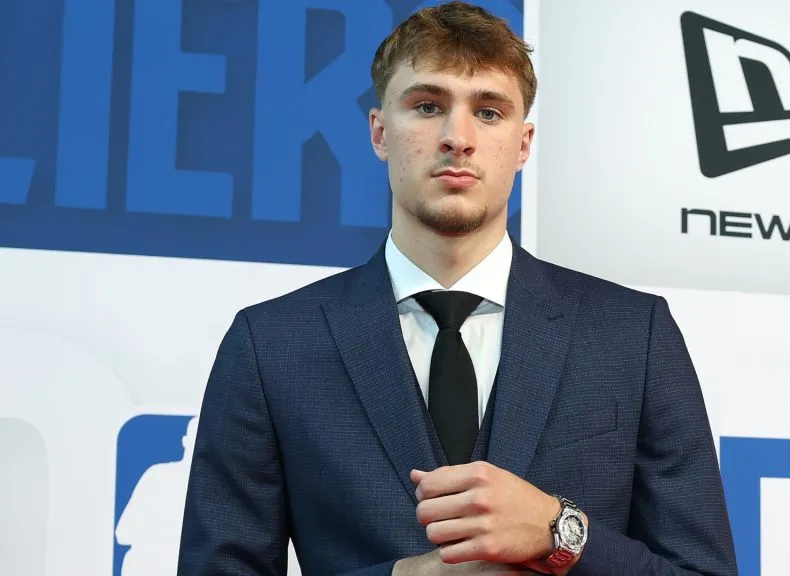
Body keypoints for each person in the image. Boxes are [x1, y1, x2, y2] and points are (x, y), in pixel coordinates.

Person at [177, 2, 738, 575]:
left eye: (489, 112)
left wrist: (557, 531)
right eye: (427, 106)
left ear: (524, 144)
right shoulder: (271, 346)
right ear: (379, 132)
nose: (457, 138)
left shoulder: (631, 336)